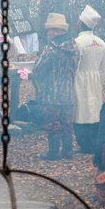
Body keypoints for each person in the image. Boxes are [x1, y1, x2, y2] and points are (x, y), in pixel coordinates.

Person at [33, 12, 79, 160]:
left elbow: (38, 70)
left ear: (57, 31)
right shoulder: (75, 47)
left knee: (52, 123)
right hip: (68, 92)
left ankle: (53, 153)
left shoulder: (51, 49)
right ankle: (67, 151)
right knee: (67, 123)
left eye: (50, 30)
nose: (48, 33)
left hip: (51, 94)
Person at [72, 5, 105, 154]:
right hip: (95, 78)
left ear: (81, 23)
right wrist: (100, 82)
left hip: (80, 78)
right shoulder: (101, 42)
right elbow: (103, 66)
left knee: (80, 110)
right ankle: (94, 141)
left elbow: (75, 64)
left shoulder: (77, 42)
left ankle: (84, 143)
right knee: (94, 110)